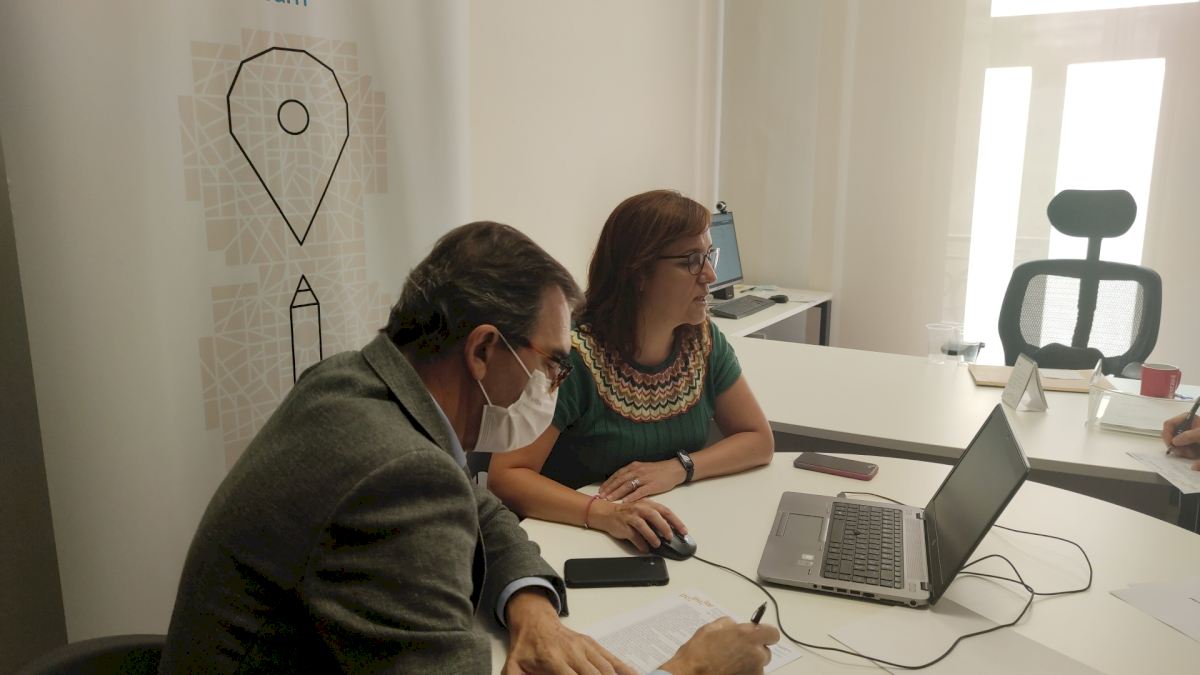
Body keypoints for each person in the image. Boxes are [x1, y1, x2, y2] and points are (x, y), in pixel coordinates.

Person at [160, 221, 779, 674]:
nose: (554, 384)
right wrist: (691, 669)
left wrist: (530, 605)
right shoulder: (397, 473)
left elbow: (475, 502)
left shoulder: (355, 382)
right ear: (483, 350)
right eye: (553, 364)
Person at [489, 191, 775, 553]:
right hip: (573, 541)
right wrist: (604, 513)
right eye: (691, 261)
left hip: (661, 528)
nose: (710, 275)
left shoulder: (702, 340)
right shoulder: (572, 356)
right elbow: (507, 476)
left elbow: (758, 440)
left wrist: (679, 467)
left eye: (708, 255)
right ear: (638, 273)